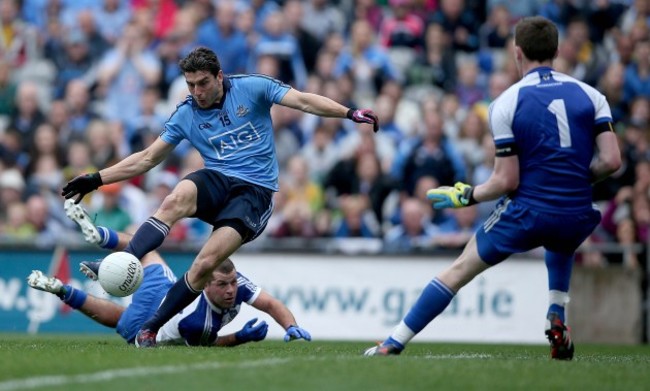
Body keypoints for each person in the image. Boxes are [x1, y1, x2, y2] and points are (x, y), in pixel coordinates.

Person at [61, 46, 378, 347]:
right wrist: (96, 178)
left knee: (204, 265)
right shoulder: (186, 113)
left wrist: (350, 113)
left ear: (219, 77)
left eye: (202, 83)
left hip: (254, 193)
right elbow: (146, 159)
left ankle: (150, 329)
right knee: (174, 199)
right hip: (218, 178)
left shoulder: (253, 87)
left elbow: (305, 101)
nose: (196, 92)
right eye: (190, 84)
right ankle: (121, 262)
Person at [364, 16, 621, 360]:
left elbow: (506, 181)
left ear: (516, 52)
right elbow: (612, 161)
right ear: (557, 51)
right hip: (576, 212)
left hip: (530, 211)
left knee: (459, 269)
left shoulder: (506, 103)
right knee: (561, 243)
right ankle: (556, 315)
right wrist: (571, 178)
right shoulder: (592, 95)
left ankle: (392, 342)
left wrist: (465, 195)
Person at [27, 200, 311, 346]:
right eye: (223, 284)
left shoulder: (237, 285)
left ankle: (101, 247)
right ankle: (75, 277)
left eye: (233, 283)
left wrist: (290, 325)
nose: (231, 290)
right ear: (204, 284)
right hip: (150, 329)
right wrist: (241, 337)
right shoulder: (197, 323)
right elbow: (212, 343)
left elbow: (272, 304)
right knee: (125, 317)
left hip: (160, 299)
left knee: (147, 255)